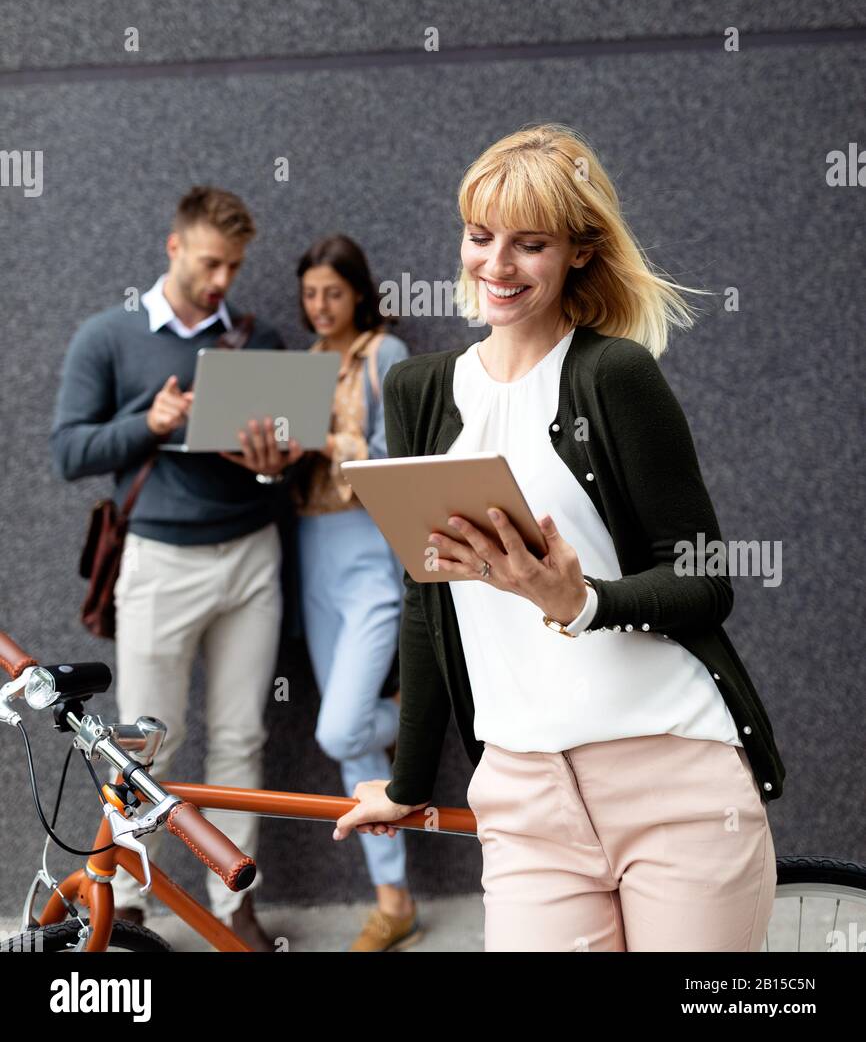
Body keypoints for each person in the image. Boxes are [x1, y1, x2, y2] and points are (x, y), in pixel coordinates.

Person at [333, 123, 786, 953]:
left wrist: (579, 602)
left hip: (671, 778)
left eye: (529, 244)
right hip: (522, 794)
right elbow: (426, 596)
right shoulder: (420, 389)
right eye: (480, 236)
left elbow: (705, 579)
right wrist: (406, 782)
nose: (496, 266)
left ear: (580, 250)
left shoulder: (614, 375)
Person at [50, 186, 300, 952]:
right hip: (159, 558)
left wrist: (272, 466)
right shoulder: (109, 337)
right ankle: (125, 901)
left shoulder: (260, 344)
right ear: (174, 247)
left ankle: (235, 907)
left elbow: (283, 465)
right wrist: (148, 423)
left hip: (252, 556)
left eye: (234, 265)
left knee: (240, 738)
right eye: (210, 261)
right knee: (146, 742)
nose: (223, 278)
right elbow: (69, 452)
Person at [283, 234, 420, 951]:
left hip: (369, 547)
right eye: (309, 294)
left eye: (332, 293)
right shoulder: (301, 365)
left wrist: (332, 442)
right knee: (351, 753)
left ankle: (404, 720)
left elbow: (402, 458)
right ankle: (394, 901)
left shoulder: (383, 354)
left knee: (342, 727)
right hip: (310, 550)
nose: (319, 307)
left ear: (358, 293)